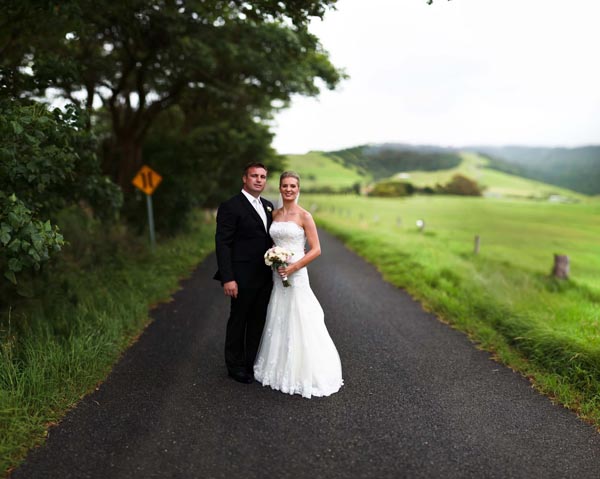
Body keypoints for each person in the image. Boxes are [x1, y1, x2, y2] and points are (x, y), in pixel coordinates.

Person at [254, 171, 343, 398]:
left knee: (301, 315)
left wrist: (293, 267)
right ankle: (278, 367)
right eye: (285, 185)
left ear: (298, 188)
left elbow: (316, 250)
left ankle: (306, 370)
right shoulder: (273, 214)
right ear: (280, 188)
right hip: (278, 273)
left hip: (297, 273)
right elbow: (273, 242)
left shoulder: (305, 216)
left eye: (293, 186)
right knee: (279, 314)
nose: (289, 189)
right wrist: (274, 258)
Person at [214, 163, 275, 384]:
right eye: (254, 176)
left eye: (262, 177)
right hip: (240, 277)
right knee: (239, 321)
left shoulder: (268, 206)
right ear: (244, 178)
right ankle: (235, 366)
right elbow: (223, 244)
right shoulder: (231, 206)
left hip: (265, 277)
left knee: (258, 321)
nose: (259, 180)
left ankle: (250, 363)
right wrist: (228, 277)